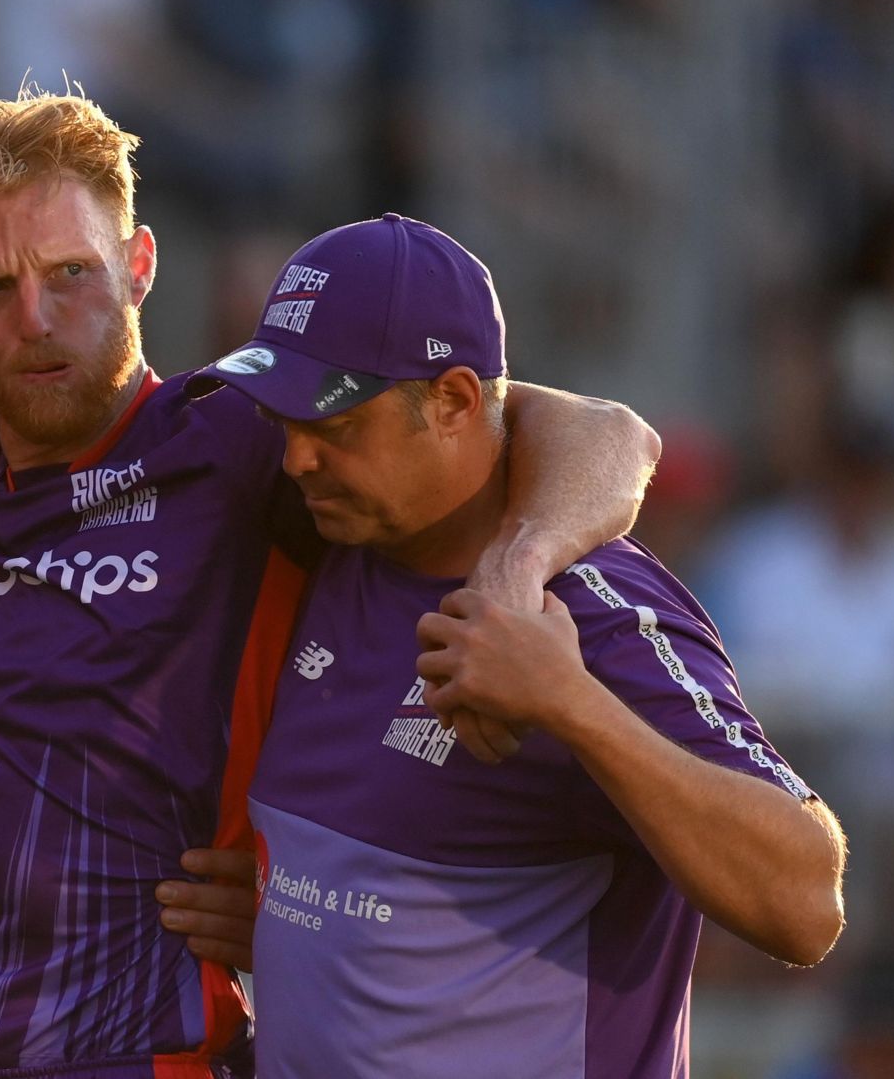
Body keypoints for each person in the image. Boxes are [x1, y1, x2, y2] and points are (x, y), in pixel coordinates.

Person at [0, 0, 662, 1078]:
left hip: (130, 1048)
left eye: (71, 273)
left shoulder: (238, 439)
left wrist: (518, 566)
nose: (36, 319)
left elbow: (605, 430)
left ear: (138, 267)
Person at [195, 215, 847, 1077]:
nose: (297, 459)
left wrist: (568, 702)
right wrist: (296, 926)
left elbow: (808, 899)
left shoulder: (593, 614)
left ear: (457, 402)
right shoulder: (328, 541)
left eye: (336, 423)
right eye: (284, 419)